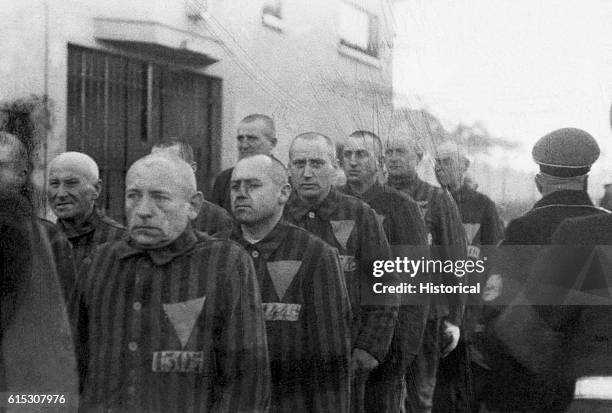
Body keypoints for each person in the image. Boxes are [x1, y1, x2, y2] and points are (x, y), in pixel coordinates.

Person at [71, 154, 271, 412]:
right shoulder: (99, 261)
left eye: (160, 198)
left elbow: (247, 382)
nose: (143, 210)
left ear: (194, 205)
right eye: (133, 196)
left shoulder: (226, 263)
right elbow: (71, 363)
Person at [485, 127, 605, 412]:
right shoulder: (604, 229)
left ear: (539, 182)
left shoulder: (523, 230)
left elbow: (497, 309)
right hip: (591, 379)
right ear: (586, 179)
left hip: (530, 382)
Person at [283, 132, 398, 413]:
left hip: (343, 355)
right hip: (283, 357)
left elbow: (385, 282)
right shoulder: (278, 214)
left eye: (317, 163)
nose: (307, 173)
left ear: (334, 167)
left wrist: (370, 346)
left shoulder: (359, 214)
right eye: (299, 164)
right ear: (288, 169)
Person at [227, 154, 352, 412]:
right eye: (235, 186)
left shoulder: (316, 255)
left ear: (283, 193)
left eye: (253, 185)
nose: (240, 193)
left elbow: (330, 361)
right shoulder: (217, 253)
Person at [339, 130, 429, 412]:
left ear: (379, 162)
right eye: (348, 155)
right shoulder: (331, 204)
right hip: (339, 340)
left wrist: (401, 351)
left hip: (386, 347)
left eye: (361, 155)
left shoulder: (401, 207)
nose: (353, 162)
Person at [384, 132, 467, 413]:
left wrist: (455, 318)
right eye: (389, 152)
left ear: (418, 159)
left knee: (420, 394)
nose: (393, 158)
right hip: (383, 311)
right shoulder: (374, 199)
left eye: (401, 152)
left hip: (426, 313)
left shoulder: (436, 198)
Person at [0, 131, 78, 411]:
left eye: (0, 167)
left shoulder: (49, 239)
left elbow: (66, 323)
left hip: (26, 391)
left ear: (22, 175)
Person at [432, 141, 504, 413]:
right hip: (440, 306)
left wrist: (487, 312)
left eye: (447, 161)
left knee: (467, 387)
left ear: (465, 165)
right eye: (437, 162)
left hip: (472, 310)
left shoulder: (483, 206)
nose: (441, 167)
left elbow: (496, 259)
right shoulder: (430, 201)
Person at [48, 152, 125, 267]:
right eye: (54, 184)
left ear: (96, 189)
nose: (60, 194)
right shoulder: (42, 239)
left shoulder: (121, 241)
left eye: (71, 183)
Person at [151, 140, 234, 235]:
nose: (162, 172)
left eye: (170, 164)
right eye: (155, 165)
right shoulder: (143, 210)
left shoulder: (215, 217)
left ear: (192, 168)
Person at [211, 114, 277, 212]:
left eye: (252, 138)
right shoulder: (224, 180)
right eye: (240, 139)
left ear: (272, 143)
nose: (244, 145)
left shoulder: (281, 178)